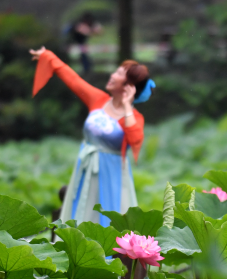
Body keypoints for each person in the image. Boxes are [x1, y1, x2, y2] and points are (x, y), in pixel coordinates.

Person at [30, 46, 155, 226]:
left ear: (129, 87)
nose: (112, 75)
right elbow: (72, 78)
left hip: (112, 173)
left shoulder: (134, 117)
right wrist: (48, 56)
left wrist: (127, 106)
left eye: (119, 74)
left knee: (107, 215)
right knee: (80, 209)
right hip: (86, 166)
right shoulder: (99, 99)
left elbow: (135, 139)